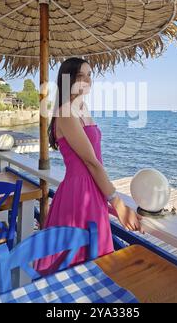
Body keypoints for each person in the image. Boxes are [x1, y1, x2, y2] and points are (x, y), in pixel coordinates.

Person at [35, 58, 143, 275]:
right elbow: (91, 162)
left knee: (92, 260)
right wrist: (119, 205)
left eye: (90, 75)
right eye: (80, 76)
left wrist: (111, 200)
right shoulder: (66, 113)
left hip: (93, 190)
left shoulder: (82, 109)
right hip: (79, 195)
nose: (87, 80)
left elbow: (96, 161)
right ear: (68, 80)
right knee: (77, 263)